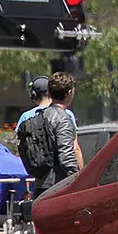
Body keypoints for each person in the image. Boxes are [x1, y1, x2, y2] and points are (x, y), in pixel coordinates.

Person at [31, 72, 80, 200]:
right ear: (69, 92)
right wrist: (78, 182)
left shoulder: (41, 115)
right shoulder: (63, 119)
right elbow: (67, 157)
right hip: (57, 186)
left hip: (40, 183)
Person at [18, 75, 84, 170]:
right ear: (69, 93)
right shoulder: (65, 116)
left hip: (40, 177)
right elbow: (73, 150)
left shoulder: (32, 116)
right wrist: (79, 178)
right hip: (59, 178)